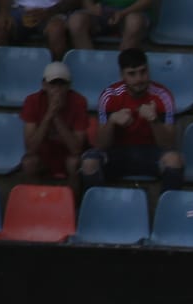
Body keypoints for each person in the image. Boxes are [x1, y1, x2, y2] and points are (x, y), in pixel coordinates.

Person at [82, 47, 181, 197]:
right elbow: (101, 144)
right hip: (117, 152)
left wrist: (154, 120)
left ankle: (166, 211)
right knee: (89, 163)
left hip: (151, 153)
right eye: (132, 74)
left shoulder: (163, 96)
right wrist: (112, 122)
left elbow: (168, 144)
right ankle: (100, 208)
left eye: (143, 72)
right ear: (122, 75)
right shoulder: (109, 96)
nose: (139, 79)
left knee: (174, 160)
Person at [18, 61, 90, 194]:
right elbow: (30, 148)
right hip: (45, 156)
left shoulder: (79, 101)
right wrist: (48, 116)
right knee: (29, 163)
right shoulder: (32, 101)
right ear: (44, 85)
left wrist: (56, 117)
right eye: (53, 84)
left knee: (74, 163)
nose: (57, 89)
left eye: (61, 84)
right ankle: (36, 203)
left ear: (69, 86)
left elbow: (76, 149)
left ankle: (72, 207)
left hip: (67, 156)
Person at [0, 0, 71, 60]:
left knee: (56, 30)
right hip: (19, 10)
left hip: (53, 11)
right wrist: (4, 13)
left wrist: (49, 12)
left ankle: (56, 75)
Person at [66, 0, 151, 53]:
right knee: (75, 21)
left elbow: (146, 1)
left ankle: (124, 67)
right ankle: (90, 66)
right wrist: (91, 8)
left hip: (132, 12)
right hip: (102, 11)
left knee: (134, 22)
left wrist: (123, 13)